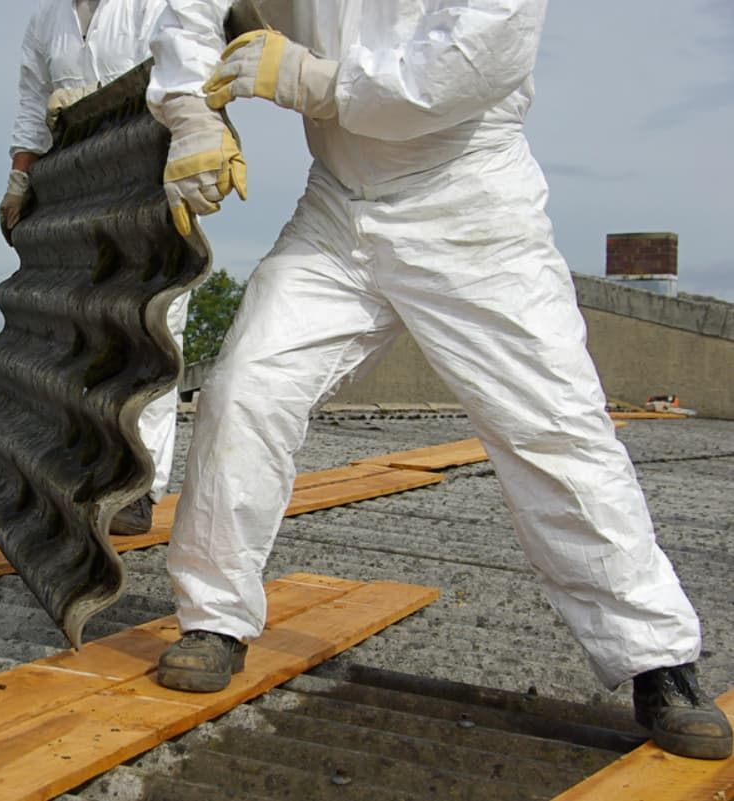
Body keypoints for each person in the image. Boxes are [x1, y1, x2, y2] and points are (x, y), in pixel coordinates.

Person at [144, 0, 732, 760]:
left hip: (469, 208)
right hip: (336, 209)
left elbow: (449, 76)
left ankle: (656, 659)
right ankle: (213, 618)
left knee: (552, 428)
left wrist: (304, 78)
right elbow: (191, 11)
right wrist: (193, 113)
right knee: (244, 391)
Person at [1, 0, 188, 535]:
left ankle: (140, 486)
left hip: (153, 179)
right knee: (81, 329)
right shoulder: (47, 20)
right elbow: (32, 101)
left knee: (152, 329)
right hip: (80, 190)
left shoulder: (156, 5)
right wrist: (20, 178)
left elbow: (186, 75)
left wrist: (100, 104)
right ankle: (82, 469)